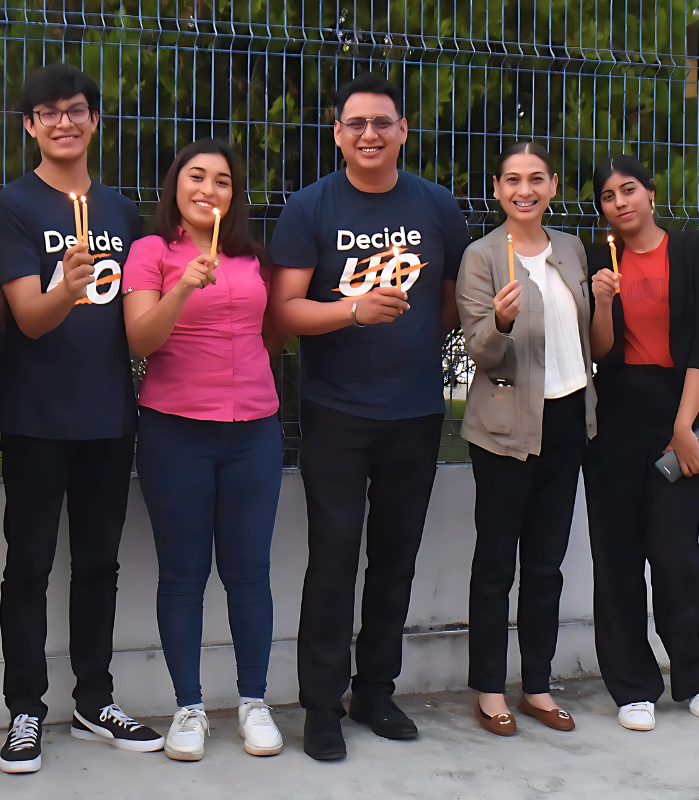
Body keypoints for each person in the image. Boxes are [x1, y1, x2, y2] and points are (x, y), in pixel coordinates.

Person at [267, 72, 470, 761]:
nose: (369, 135)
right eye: (355, 124)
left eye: (383, 123)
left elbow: (449, 304)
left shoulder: (437, 206)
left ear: (403, 131)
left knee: (395, 561)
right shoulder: (309, 208)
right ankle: (321, 706)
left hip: (414, 411)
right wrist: (354, 309)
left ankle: (374, 691)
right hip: (336, 414)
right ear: (337, 133)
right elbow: (284, 312)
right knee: (333, 560)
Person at [0, 63, 163, 773]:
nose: (65, 122)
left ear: (94, 120)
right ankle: (24, 709)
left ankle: (95, 700)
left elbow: (138, 316)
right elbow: (28, 318)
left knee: (99, 565)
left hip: (108, 415)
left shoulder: (121, 211)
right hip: (35, 416)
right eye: (49, 112)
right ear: (29, 125)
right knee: (27, 567)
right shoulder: (13, 208)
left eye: (78, 110)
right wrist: (67, 285)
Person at [123, 139, 285, 761]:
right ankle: (188, 707)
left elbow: (271, 336)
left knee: (248, 572)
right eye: (196, 177)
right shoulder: (151, 252)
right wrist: (183, 287)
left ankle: (253, 701)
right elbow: (141, 337)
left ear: (233, 196)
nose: (208, 190)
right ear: (175, 185)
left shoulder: (252, 258)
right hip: (174, 428)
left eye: (222, 181)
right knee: (184, 573)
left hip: (253, 428)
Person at [456, 142, 595, 736]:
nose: (525, 190)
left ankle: (536, 683)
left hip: (568, 420)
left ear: (554, 185)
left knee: (546, 565)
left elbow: (591, 339)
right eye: (512, 179)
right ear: (496, 188)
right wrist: (502, 321)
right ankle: (490, 689)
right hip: (506, 427)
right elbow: (479, 352)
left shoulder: (570, 248)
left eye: (537, 179)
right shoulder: (482, 257)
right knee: (496, 565)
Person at [586, 155, 699, 732]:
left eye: (629, 190)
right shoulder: (602, 259)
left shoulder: (693, 250)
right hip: (617, 414)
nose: (619, 202)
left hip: (683, 410)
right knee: (617, 555)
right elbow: (600, 354)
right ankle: (632, 686)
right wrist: (600, 300)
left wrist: (683, 427)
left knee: (675, 553)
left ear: (650, 193)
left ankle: (693, 676)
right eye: (607, 196)